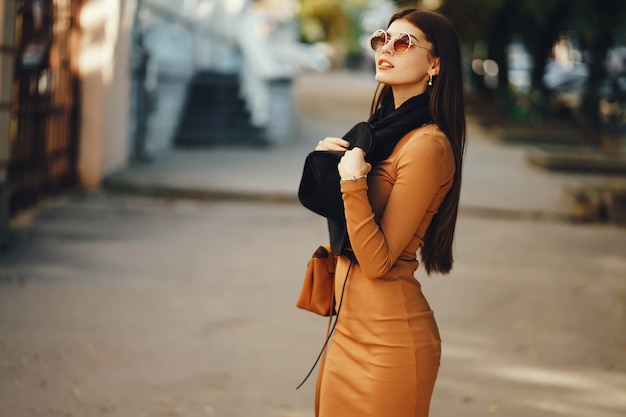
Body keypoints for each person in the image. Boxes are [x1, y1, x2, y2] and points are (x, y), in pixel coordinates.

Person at [311, 8, 466, 417]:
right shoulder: (380, 134)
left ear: (436, 64)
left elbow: (378, 261)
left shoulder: (428, 147)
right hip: (345, 330)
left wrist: (352, 183)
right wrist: (331, 169)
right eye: (383, 39)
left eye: (404, 43)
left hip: (389, 344)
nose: (387, 49)